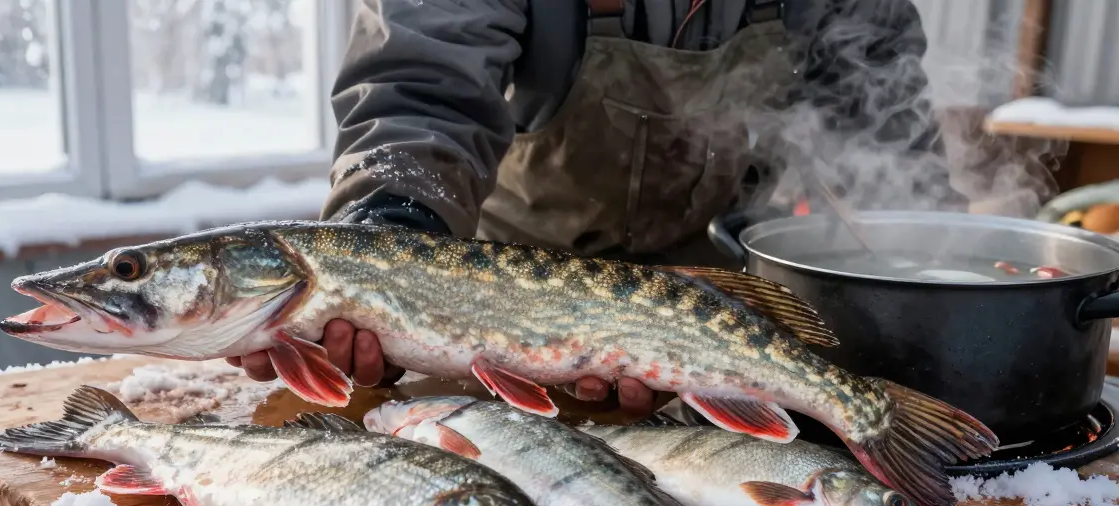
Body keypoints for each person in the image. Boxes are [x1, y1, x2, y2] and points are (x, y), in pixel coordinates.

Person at [228, 0, 966, 421]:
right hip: (485, 322)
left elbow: (888, 130)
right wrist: (389, 237)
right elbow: (423, 88)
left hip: (723, 324)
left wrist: (943, 281)